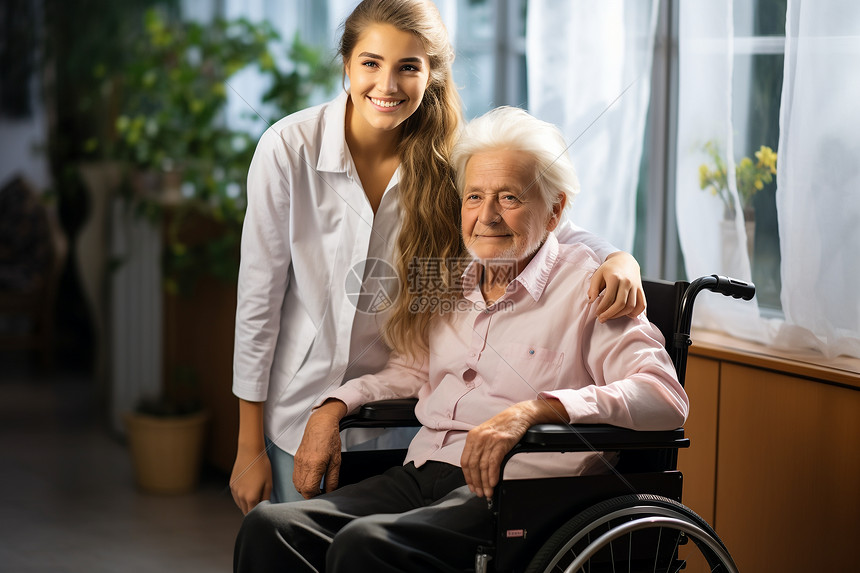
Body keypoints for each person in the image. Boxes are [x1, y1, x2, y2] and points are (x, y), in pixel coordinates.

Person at [230, 0, 647, 512]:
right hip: (298, 409)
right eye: (370, 63)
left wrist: (619, 258)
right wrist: (248, 442)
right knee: (291, 542)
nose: (387, 85)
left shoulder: (449, 158)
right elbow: (258, 300)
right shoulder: (287, 148)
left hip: (401, 411)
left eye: (408, 67)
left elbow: (539, 219)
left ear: (432, 75)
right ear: (346, 64)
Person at [232, 106, 689, 572]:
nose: (486, 216)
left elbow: (664, 395)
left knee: (365, 545)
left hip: (516, 494)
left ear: (554, 212)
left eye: (509, 197)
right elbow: (411, 370)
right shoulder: (451, 283)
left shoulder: (589, 290)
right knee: (271, 527)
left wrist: (537, 410)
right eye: (474, 197)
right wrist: (334, 406)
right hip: (422, 473)